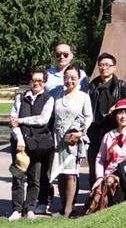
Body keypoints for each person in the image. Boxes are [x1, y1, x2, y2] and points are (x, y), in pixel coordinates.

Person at [37, 41, 87, 215]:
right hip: (52, 127)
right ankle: (46, 200)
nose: (62, 57)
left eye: (65, 54)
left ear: (71, 55)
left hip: (73, 130)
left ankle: (70, 205)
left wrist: (81, 130)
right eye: (58, 54)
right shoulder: (48, 75)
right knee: (52, 168)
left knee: (71, 170)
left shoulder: (82, 75)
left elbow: (85, 106)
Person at [8, 69, 54, 222]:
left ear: (44, 83)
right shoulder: (20, 98)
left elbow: (43, 120)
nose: (37, 83)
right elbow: (13, 121)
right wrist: (20, 139)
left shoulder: (48, 99)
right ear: (29, 81)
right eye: (34, 80)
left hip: (37, 144)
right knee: (18, 177)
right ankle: (16, 209)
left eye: (40, 80)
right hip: (20, 143)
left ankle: (30, 208)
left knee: (35, 178)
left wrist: (22, 120)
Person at [49, 63, 93, 217]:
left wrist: (81, 132)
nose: (69, 81)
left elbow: (89, 117)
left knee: (70, 174)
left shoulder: (83, 97)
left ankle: (68, 208)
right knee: (61, 173)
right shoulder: (58, 96)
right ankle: (63, 207)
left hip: (73, 140)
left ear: (79, 79)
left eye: (73, 78)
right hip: (58, 139)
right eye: (67, 78)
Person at [87, 53, 126, 185]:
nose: (104, 68)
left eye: (108, 65)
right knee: (94, 162)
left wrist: (117, 106)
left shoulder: (120, 85)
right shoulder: (93, 85)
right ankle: (95, 191)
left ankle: (111, 189)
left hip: (113, 129)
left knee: (112, 162)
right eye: (101, 65)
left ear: (114, 68)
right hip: (95, 129)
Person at [90, 100, 126, 210]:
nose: (123, 116)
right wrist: (99, 177)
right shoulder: (108, 136)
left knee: (109, 182)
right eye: (120, 113)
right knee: (105, 183)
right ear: (115, 116)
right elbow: (100, 159)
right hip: (108, 174)